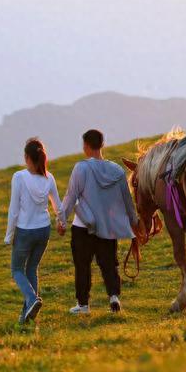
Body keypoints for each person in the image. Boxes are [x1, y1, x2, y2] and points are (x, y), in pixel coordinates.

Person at [59, 129, 138, 314]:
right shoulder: (117, 171)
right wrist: (134, 221)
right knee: (109, 263)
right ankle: (114, 297)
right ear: (103, 145)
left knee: (82, 266)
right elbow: (127, 199)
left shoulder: (81, 168)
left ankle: (83, 305)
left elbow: (71, 196)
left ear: (86, 146)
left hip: (83, 226)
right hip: (108, 227)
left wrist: (61, 221)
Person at [4, 138, 65, 324]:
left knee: (16, 269)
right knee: (32, 268)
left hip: (25, 231)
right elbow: (58, 206)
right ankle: (26, 317)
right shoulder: (49, 177)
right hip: (43, 231)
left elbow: (14, 209)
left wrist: (9, 235)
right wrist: (61, 222)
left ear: (28, 157)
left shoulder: (19, 177)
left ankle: (32, 300)